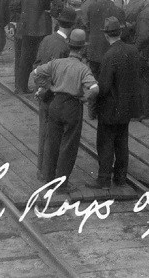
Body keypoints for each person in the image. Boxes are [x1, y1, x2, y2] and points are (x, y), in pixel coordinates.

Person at [33, 29, 99, 191]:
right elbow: (95, 88)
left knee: (52, 142)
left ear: (69, 46)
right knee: (68, 145)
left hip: (55, 103)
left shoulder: (57, 63)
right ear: (83, 48)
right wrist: (85, 98)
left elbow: (36, 73)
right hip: (72, 106)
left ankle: (48, 178)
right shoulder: (83, 68)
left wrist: (48, 86)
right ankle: (61, 184)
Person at [86, 18, 142, 189]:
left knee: (105, 143)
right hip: (127, 107)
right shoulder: (132, 51)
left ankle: (103, 179)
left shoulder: (109, 55)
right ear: (120, 32)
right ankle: (120, 178)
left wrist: (93, 102)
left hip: (110, 108)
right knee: (122, 143)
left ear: (105, 34)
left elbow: (104, 86)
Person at [33, 8, 76, 179]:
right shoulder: (64, 47)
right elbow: (57, 73)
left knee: (44, 131)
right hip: (54, 95)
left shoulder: (47, 39)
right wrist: (48, 88)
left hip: (43, 92)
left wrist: (40, 87)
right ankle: (48, 172)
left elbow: (36, 64)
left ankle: (41, 168)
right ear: (72, 26)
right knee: (53, 136)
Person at [10, 0, 63, 94]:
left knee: (24, 57)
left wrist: (24, 13)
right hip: (42, 29)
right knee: (41, 57)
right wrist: (51, 13)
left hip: (24, 28)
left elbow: (14, 6)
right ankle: (40, 86)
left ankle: (20, 86)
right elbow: (59, 4)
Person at [84, 0, 125, 75]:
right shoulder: (118, 11)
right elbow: (123, 33)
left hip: (94, 51)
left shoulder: (92, 7)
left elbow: (88, 26)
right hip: (110, 52)